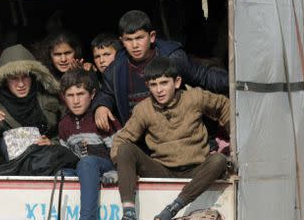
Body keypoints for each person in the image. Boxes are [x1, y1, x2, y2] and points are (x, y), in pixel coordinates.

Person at [103, 57, 230, 220]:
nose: (159, 89)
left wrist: (234, 137)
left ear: (177, 82)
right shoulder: (144, 109)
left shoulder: (195, 97)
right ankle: (129, 216)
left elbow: (224, 106)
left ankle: (172, 209)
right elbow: (121, 140)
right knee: (125, 149)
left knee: (219, 160)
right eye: (154, 84)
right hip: (163, 170)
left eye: (164, 83)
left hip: (196, 169)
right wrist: (120, 167)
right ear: (148, 85)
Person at [94, 10, 229, 131]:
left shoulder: (171, 57)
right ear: (121, 41)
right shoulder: (116, 68)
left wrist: (233, 82)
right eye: (129, 40)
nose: (135, 45)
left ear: (152, 36)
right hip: (138, 135)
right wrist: (101, 106)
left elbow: (203, 76)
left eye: (139, 38)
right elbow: (106, 93)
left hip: (175, 130)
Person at [57, 69, 121, 220]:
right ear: (63, 97)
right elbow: (66, 156)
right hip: (83, 169)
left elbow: (122, 151)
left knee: (87, 162)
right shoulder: (64, 124)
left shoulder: (101, 117)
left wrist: (115, 171)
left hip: (105, 163)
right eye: (70, 95)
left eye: (80, 94)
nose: (76, 100)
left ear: (92, 94)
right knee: (60, 171)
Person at [0, 44, 64, 162]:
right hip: (15, 169)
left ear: (33, 77)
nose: (21, 84)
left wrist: (52, 143)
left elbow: (71, 133)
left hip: (49, 161)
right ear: (5, 80)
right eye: (14, 78)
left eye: (25, 77)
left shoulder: (49, 99)